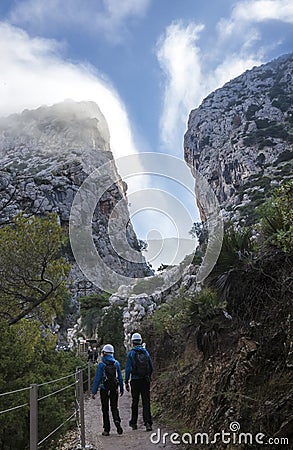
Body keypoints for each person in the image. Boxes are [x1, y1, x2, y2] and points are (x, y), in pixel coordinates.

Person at [91, 344, 124, 436]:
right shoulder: (116, 363)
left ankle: (106, 429)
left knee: (105, 409)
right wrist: (121, 388)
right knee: (114, 407)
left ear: (104, 353)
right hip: (114, 388)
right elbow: (120, 377)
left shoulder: (101, 364)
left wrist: (94, 392)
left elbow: (97, 379)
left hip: (104, 389)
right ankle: (117, 421)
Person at [125, 332, 153, 432]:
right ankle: (148, 423)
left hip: (135, 380)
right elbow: (151, 366)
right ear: (140, 341)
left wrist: (126, 382)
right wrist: (148, 376)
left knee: (135, 401)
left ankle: (134, 423)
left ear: (132, 342)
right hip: (145, 380)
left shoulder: (131, 354)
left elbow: (128, 369)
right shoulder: (146, 352)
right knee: (146, 401)